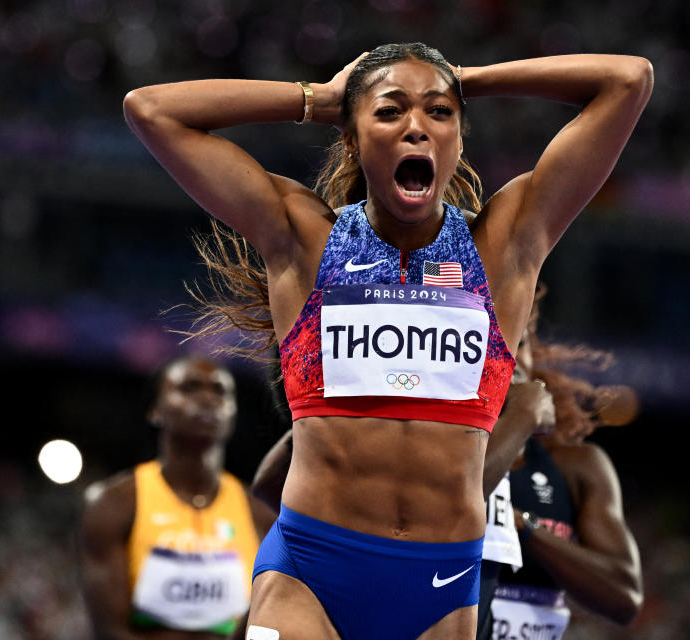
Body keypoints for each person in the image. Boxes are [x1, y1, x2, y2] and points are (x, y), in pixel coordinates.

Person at [123, 42, 652, 639]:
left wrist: (466, 79)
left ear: (459, 138)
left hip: (441, 585)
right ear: (351, 139)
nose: (417, 129)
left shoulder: (503, 249)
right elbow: (151, 110)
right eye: (390, 110)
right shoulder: (304, 239)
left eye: (439, 113)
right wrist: (315, 99)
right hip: (309, 572)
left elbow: (627, 79)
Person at [79, 355, 274, 640]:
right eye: (189, 388)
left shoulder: (261, 512)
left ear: (234, 412)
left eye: (220, 391)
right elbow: (111, 631)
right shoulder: (113, 504)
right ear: (155, 410)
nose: (208, 399)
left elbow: (268, 624)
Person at [477, 331, 644, 640]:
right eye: (492, 342)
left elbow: (625, 598)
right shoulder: (437, 456)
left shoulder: (576, 465)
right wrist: (523, 415)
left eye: (521, 342)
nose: (510, 356)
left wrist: (521, 525)